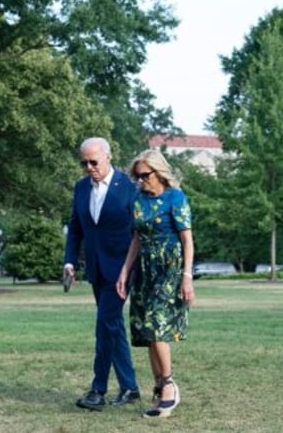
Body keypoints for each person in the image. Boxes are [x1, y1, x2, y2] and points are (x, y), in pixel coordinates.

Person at [116, 149, 196, 419]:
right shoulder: (138, 200)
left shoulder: (176, 197)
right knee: (146, 331)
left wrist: (187, 277)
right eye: (136, 176)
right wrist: (125, 272)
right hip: (146, 269)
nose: (140, 181)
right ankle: (161, 387)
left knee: (156, 324)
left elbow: (187, 240)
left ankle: (170, 386)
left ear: (159, 173)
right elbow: (137, 239)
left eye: (144, 176)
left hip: (170, 268)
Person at [64, 137, 141, 411]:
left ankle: (97, 390)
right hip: (96, 269)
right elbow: (75, 228)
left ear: (108, 157)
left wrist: (128, 270)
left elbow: (138, 233)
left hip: (122, 270)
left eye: (93, 161)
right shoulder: (81, 187)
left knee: (104, 324)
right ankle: (130, 386)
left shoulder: (129, 188)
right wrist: (69, 262)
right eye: (83, 162)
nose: (88, 167)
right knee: (113, 326)